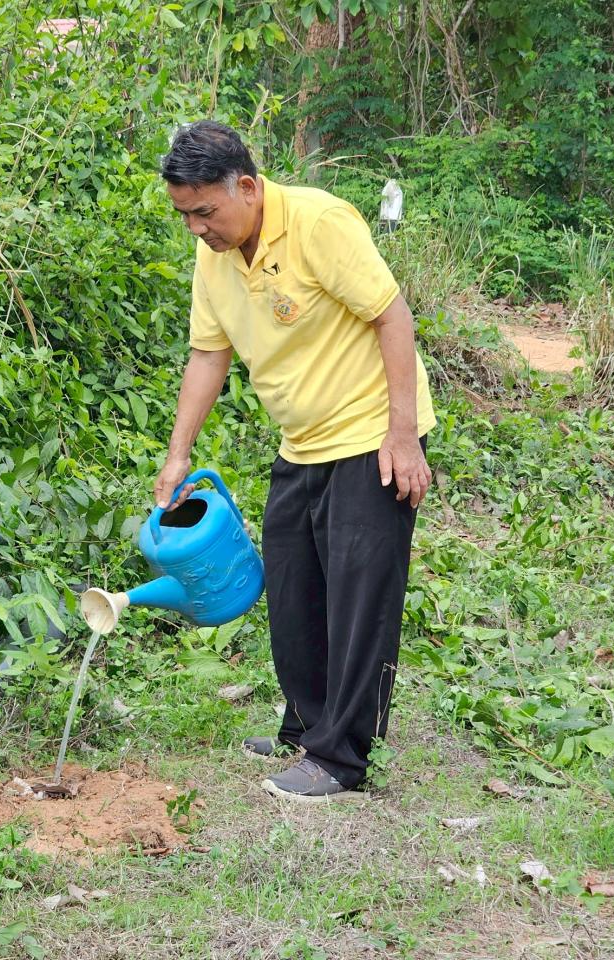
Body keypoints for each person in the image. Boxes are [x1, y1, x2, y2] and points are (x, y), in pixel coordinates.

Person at [153, 120, 435, 802]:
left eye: (205, 211)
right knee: (293, 593)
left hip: (370, 435)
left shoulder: (318, 223)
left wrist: (402, 436)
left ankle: (340, 758)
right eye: (185, 215)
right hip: (301, 441)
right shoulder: (216, 256)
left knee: (359, 600)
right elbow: (208, 355)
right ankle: (307, 726)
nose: (196, 228)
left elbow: (392, 318)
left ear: (247, 188)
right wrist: (177, 453)